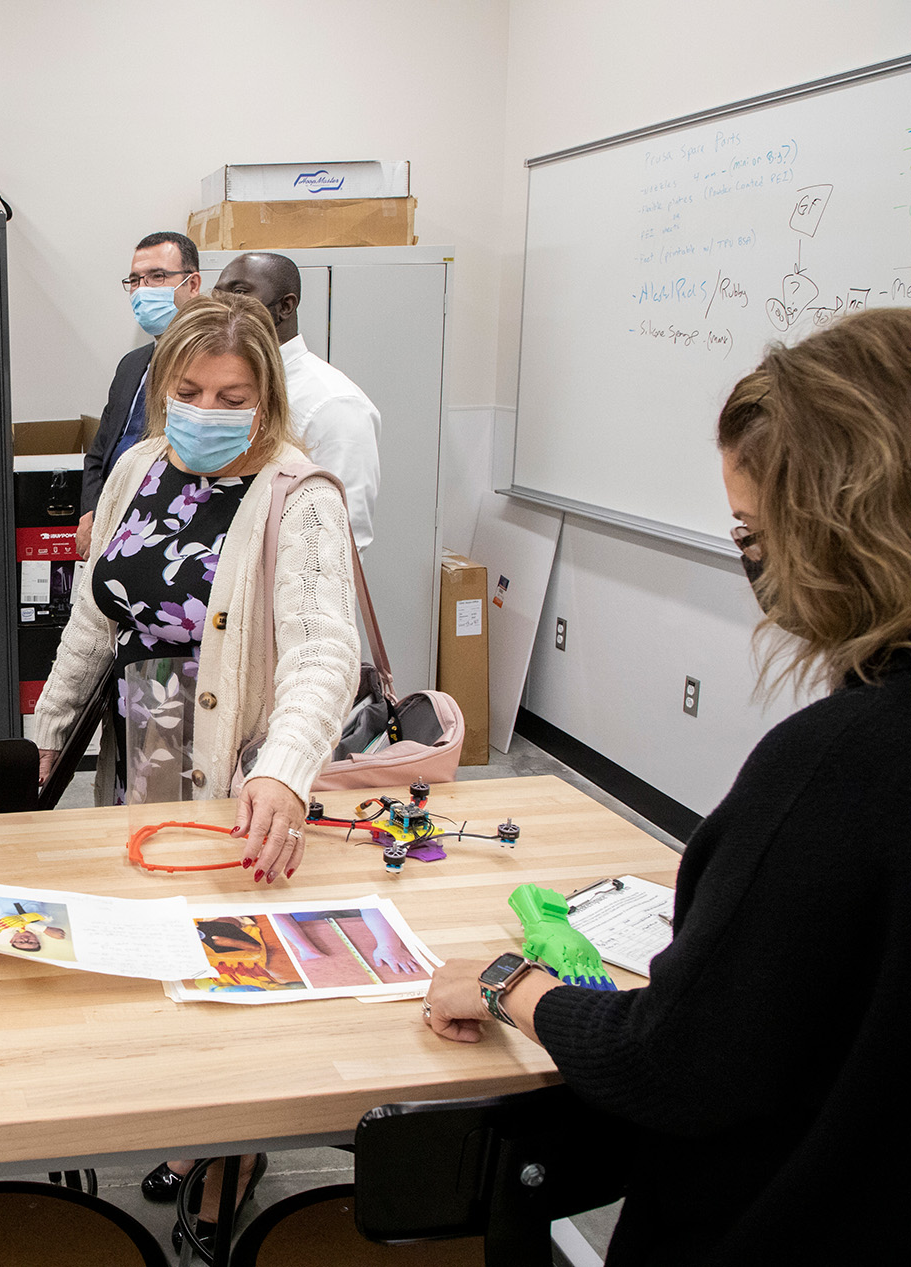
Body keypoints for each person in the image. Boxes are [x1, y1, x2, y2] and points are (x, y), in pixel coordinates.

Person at [423, 307, 911, 1265]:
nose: (752, 561)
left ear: (837, 528)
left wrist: (509, 983)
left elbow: (674, 1063)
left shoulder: (840, 762)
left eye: (753, 530)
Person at [30, 293, 361, 1247]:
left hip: (236, 762)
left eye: (233, 394)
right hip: (138, 750)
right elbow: (97, 616)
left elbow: (322, 654)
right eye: (190, 389)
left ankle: (234, 1157)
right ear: (160, 387)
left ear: (266, 401)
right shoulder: (138, 466)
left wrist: (286, 772)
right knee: (149, 946)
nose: (209, 408)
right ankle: (189, 1122)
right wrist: (49, 730)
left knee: (230, 959)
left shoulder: (300, 497)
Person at [214, 252, 382, 552]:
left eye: (239, 292)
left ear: (285, 306)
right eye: (218, 294)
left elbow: (341, 537)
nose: (223, 305)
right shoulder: (221, 386)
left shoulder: (333, 404)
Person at [76, 231, 206, 558]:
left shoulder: (212, 369)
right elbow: (99, 454)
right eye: (135, 280)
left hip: (166, 536)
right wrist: (92, 513)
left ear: (192, 284)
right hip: (108, 525)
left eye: (158, 277)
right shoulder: (132, 365)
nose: (142, 289)